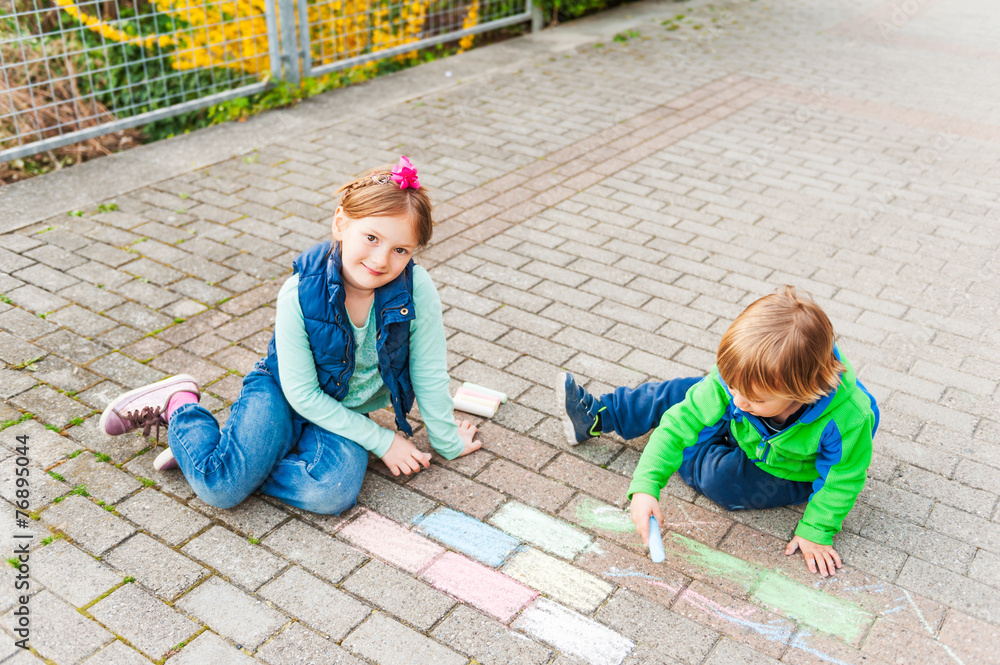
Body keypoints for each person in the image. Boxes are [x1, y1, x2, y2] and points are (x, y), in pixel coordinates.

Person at [99, 156, 480, 514]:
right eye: (371, 238)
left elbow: (428, 372)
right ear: (341, 223)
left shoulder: (416, 289)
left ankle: (217, 458)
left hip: (343, 411)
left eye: (400, 250)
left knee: (332, 493)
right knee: (220, 491)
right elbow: (302, 394)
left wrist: (447, 442)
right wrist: (382, 441)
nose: (381, 260)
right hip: (282, 392)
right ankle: (180, 406)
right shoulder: (299, 291)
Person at [556, 286, 878, 577]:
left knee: (722, 481)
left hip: (783, 467)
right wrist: (646, 485)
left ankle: (694, 447)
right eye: (732, 386)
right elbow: (679, 422)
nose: (738, 400)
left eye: (755, 398)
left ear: (802, 391)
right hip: (747, 430)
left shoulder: (848, 418)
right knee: (681, 396)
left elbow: (843, 477)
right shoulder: (740, 385)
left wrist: (816, 530)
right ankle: (602, 414)